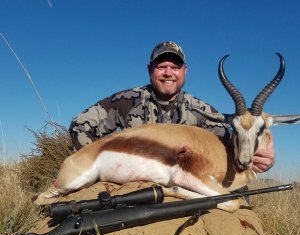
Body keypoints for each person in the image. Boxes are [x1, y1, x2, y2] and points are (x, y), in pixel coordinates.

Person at [69, 41, 274, 173]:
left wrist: (262, 150)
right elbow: (79, 126)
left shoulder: (200, 110)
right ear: (150, 70)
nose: (168, 72)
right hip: (131, 180)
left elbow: (233, 143)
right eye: (161, 66)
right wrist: (98, 165)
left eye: (175, 67)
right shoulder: (125, 101)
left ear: (185, 71)